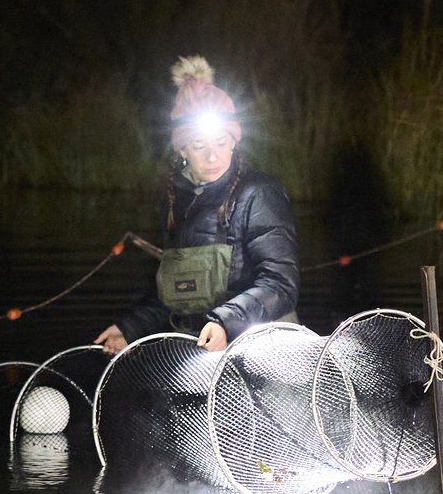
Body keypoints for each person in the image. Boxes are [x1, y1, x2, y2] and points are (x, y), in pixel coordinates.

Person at [95, 56, 299, 355]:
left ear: (234, 141)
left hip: (263, 348)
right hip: (198, 349)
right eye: (200, 146)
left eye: (221, 142)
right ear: (182, 150)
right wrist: (130, 328)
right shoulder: (175, 201)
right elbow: (175, 294)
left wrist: (225, 323)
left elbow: (281, 285)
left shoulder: (259, 193)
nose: (213, 156)